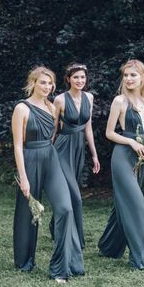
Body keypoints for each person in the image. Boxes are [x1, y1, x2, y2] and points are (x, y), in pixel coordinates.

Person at [12, 66, 85, 283]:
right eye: (42, 82)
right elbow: (17, 146)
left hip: (51, 159)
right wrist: (23, 177)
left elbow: (52, 136)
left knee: (65, 208)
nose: (47, 87)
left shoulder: (53, 108)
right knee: (27, 213)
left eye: (50, 83)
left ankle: (61, 266)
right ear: (33, 83)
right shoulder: (21, 109)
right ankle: (24, 260)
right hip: (30, 158)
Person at [98, 59, 144, 269]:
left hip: (142, 159)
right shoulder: (119, 101)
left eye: (133, 75)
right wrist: (131, 141)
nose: (129, 79)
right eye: (126, 75)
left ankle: (108, 246)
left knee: (122, 204)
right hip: (123, 156)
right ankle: (139, 258)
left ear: (142, 77)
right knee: (136, 203)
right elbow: (109, 133)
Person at [49, 63, 100, 249]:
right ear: (68, 79)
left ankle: (55, 228)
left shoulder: (89, 97)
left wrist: (94, 155)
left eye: (83, 77)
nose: (80, 80)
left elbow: (88, 128)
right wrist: (48, 151)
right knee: (76, 197)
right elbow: (53, 130)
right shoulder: (60, 100)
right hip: (62, 148)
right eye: (76, 77)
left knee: (70, 192)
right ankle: (76, 238)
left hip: (79, 149)